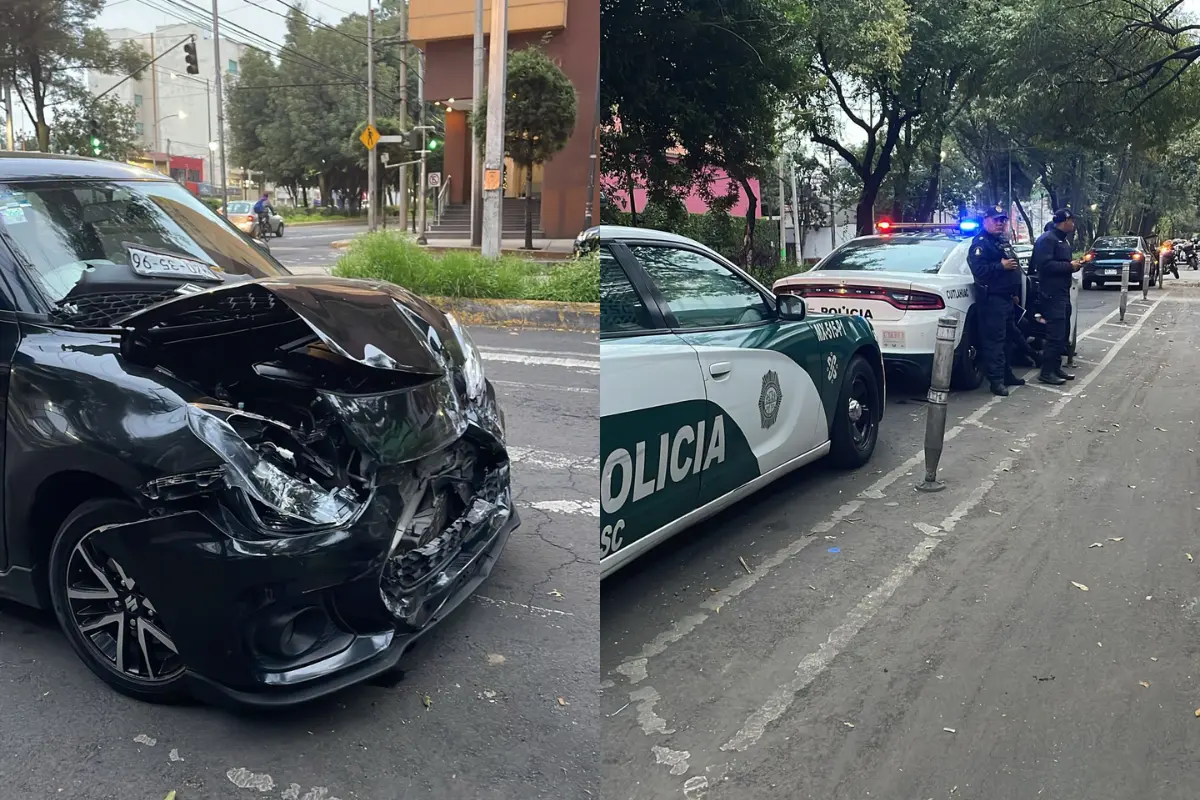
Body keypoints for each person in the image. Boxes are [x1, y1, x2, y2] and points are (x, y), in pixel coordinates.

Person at [967, 207, 1026, 396]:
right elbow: (979, 271)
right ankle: (996, 381)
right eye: (996, 220)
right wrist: (1000, 266)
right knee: (995, 342)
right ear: (985, 220)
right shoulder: (981, 243)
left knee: (1008, 339)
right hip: (991, 300)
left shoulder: (1001, 241)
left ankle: (1007, 375)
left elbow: (1014, 266)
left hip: (1006, 298)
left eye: (1003, 220)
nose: (1000, 223)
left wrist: (1014, 292)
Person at [1031, 208, 1083, 385]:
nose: (1073, 224)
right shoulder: (1047, 240)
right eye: (1071, 220)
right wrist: (1070, 266)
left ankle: (1055, 367)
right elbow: (1045, 266)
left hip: (1062, 292)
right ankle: (1046, 372)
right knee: (1054, 334)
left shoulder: (1062, 241)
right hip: (1051, 294)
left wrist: (1076, 265)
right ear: (1064, 221)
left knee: (1062, 334)